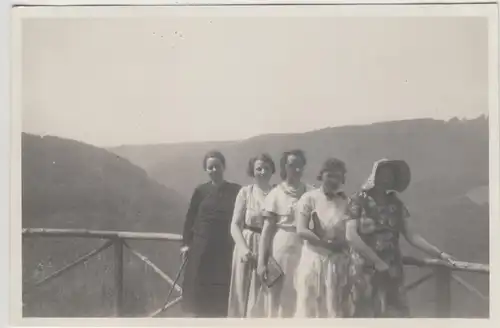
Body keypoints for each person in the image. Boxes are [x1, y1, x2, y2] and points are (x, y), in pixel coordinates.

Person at [344, 158, 456, 318]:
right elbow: (351, 235)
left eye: (391, 175)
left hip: (392, 267)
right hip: (364, 268)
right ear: (374, 175)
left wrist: (439, 254)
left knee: (395, 312)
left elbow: (412, 235)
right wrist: (376, 261)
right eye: (383, 174)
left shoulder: (395, 203)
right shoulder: (357, 200)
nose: (387, 178)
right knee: (365, 312)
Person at [180, 150, 241, 318]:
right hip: (201, 250)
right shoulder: (200, 191)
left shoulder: (236, 191)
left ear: (224, 167)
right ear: (206, 170)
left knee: (222, 295)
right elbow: (190, 219)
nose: (214, 170)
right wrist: (186, 245)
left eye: (217, 166)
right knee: (200, 295)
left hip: (224, 250)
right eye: (210, 167)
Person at [256, 149, 312, 318]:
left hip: (305, 249)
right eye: (291, 165)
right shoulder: (275, 194)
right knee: (279, 297)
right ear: (284, 167)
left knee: (302, 293)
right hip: (281, 250)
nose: (296, 169)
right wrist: (261, 262)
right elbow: (266, 232)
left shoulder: (311, 193)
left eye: (300, 165)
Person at [294, 158, 351, 318]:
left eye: (338, 176)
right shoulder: (308, 198)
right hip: (314, 259)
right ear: (321, 175)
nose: (333, 180)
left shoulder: (346, 201)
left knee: (335, 307)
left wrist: (343, 242)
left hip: (337, 261)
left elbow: (350, 231)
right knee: (310, 305)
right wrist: (324, 244)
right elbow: (301, 229)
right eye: (329, 175)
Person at [228, 154, 276, 318]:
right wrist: (243, 249)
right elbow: (235, 224)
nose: (262, 172)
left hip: (269, 246)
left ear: (272, 171)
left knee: (265, 293)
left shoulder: (277, 193)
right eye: (259, 168)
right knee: (243, 291)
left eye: (266, 168)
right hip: (247, 245)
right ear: (252, 171)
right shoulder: (245, 192)